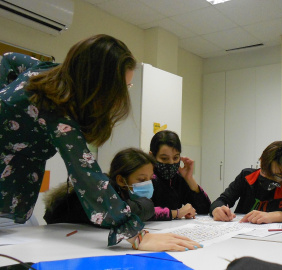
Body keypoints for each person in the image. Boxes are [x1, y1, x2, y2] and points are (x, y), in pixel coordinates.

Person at [0, 35, 200, 251]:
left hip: (15, 197)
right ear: (97, 83)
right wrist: (135, 234)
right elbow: (87, 176)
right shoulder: (54, 108)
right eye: (121, 87)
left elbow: (9, 59)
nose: (122, 95)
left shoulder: (47, 72)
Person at [44, 148, 176, 223]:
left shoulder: (122, 191)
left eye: (150, 179)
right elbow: (121, 213)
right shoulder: (102, 190)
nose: (148, 184)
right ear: (120, 180)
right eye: (142, 179)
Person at [210, 141, 282, 224]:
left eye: (275, 175)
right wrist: (217, 210)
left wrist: (275, 216)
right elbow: (222, 200)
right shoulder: (247, 176)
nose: (266, 176)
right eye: (264, 170)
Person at [149, 130, 211, 220]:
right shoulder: (144, 178)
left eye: (175, 158)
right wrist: (176, 213)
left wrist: (189, 179)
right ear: (152, 156)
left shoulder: (178, 178)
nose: (171, 162)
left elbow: (205, 209)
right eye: (164, 158)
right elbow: (140, 211)